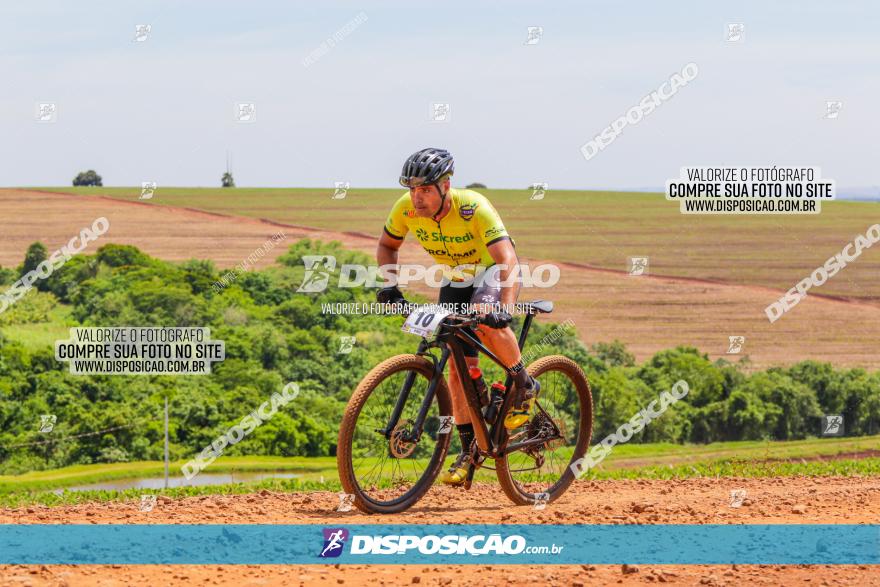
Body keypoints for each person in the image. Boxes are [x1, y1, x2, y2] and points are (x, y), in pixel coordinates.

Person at [375, 147, 539, 486]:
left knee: (484, 318)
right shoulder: (405, 209)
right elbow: (387, 245)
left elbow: (507, 259)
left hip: (492, 273)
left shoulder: (472, 207)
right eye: (411, 189)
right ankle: (468, 451)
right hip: (457, 279)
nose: (416, 198)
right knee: (456, 368)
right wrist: (390, 286)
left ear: (445, 185)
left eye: (424, 190)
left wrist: (504, 308)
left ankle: (524, 385)